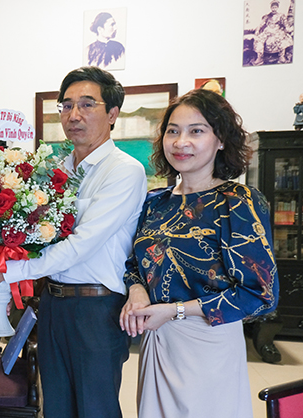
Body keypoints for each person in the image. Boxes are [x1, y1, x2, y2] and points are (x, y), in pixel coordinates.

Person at [0, 66, 147, 417]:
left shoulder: (124, 171)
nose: (74, 115)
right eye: (66, 105)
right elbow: (32, 238)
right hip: (52, 305)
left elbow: (80, 245)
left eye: (87, 105)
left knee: (95, 409)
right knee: (55, 407)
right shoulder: (58, 168)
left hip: (97, 310)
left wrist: (4, 272)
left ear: (112, 114)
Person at [119, 89, 279, 418]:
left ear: (220, 140)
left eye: (196, 131)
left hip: (210, 344)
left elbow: (262, 294)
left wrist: (176, 311)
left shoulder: (238, 201)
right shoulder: (155, 201)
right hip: (158, 341)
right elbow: (135, 262)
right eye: (173, 131)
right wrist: (136, 290)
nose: (181, 142)